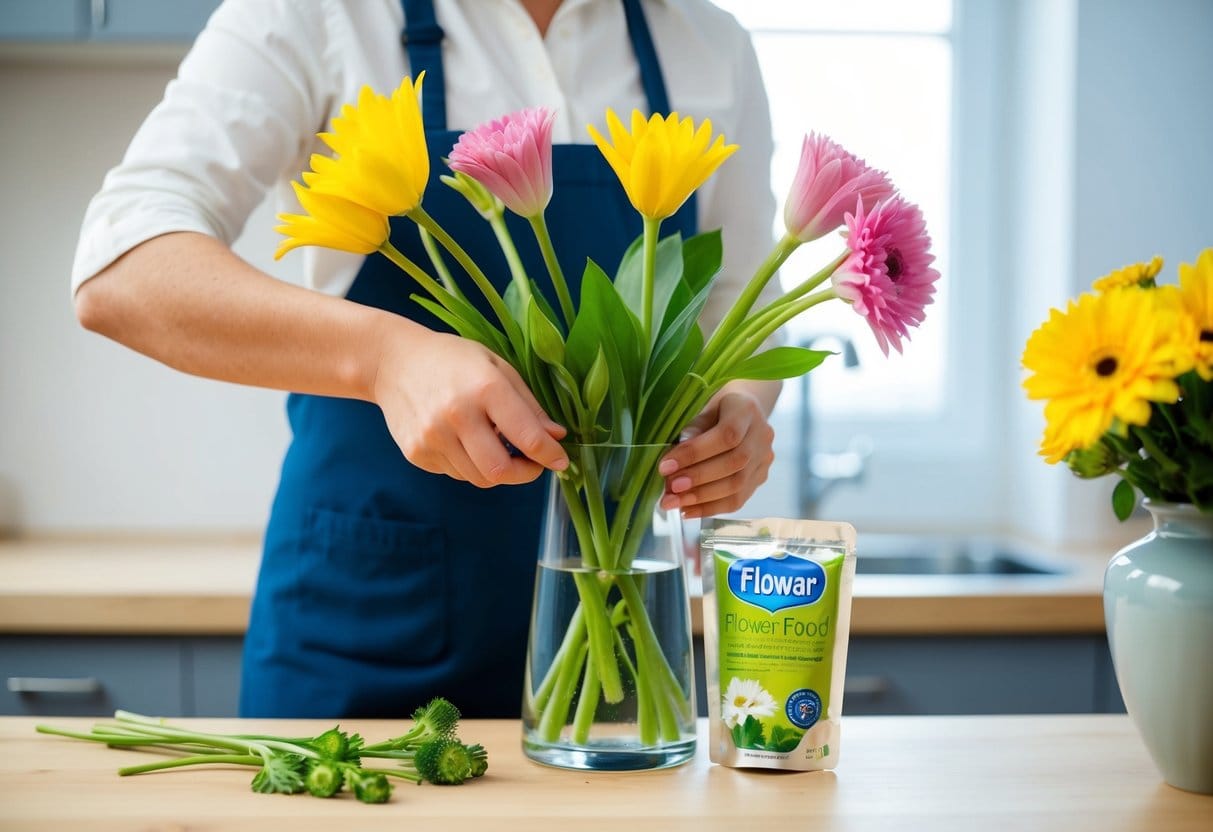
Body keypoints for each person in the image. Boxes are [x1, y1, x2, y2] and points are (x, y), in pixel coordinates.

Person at [72, 0, 784, 718]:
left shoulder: (708, 44)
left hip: (614, 650)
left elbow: (739, 300)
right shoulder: (317, 12)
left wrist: (739, 409)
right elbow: (122, 268)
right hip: (364, 635)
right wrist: (384, 358)